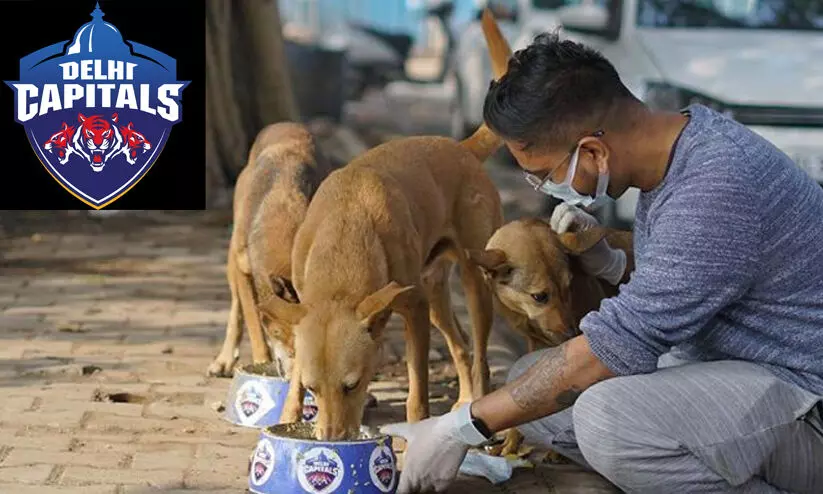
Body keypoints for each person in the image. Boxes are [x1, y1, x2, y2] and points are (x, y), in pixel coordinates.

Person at [382, 32, 823, 493]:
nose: (547, 190)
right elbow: (696, 277)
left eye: (545, 176)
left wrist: (460, 428)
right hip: (737, 371)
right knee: (528, 384)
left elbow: (614, 347)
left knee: (607, 419)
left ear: (593, 151)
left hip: (805, 400)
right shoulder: (681, 147)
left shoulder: (714, 187)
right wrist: (612, 263)